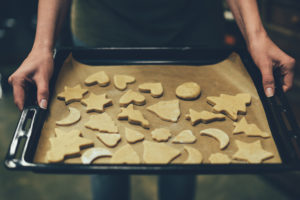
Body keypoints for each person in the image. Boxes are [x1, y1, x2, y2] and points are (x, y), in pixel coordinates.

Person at [8, 0, 296, 200]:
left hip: (192, 29)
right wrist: (42, 46)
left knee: (186, 151)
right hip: (102, 30)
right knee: (103, 157)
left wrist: (256, 36)